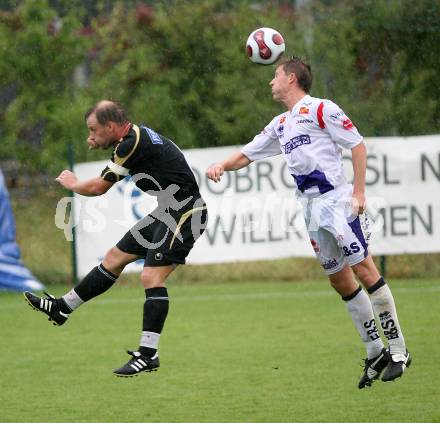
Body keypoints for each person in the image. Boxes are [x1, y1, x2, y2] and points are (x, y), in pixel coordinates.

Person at [206, 57, 411, 389]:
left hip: (337, 202)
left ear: (290, 78)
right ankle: (375, 352)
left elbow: (357, 145)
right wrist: (220, 165)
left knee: (365, 271)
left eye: (274, 76)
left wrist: (359, 192)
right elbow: (247, 154)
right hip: (311, 209)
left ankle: (399, 350)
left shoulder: (321, 109)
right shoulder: (281, 123)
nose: (270, 82)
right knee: (339, 282)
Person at [24, 100, 207, 377]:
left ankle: (148, 354)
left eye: (93, 130)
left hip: (188, 213)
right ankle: (63, 308)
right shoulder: (134, 138)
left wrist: (73, 184)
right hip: (168, 211)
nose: (91, 137)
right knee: (114, 258)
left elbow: (98, 188)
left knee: (151, 278)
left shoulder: (130, 143)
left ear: (111, 126)